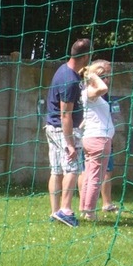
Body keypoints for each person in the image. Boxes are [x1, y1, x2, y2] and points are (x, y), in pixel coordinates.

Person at [44, 38, 90, 227]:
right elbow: (65, 114)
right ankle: (65, 210)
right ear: (86, 56)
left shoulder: (65, 70)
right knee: (72, 169)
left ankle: (55, 212)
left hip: (52, 127)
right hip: (63, 130)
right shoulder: (69, 79)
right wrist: (70, 143)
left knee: (56, 170)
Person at [77, 60, 115, 221]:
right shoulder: (91, 92)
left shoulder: (90, 94)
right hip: (99, 139)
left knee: (89, 175)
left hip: (94, 138)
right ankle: (90, 212)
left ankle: (84, 209)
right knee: (95, 177)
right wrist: (93, 76)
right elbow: (103, 88)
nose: (107, 80)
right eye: (104, 76)